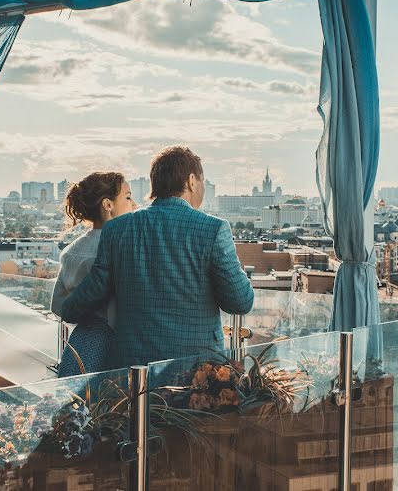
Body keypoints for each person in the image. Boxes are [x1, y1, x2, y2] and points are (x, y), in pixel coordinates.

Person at [61, 146, 254, 368]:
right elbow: (241, 301)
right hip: (196, 371)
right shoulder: (213, 229)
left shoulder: (117, 229)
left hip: (132, 371)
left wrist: (69, 309)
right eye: (202, 182)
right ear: (191, 181)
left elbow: (83, 300)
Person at [51, 172, 137, 377]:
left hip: (80, 342)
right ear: (108, 205)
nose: (134, 204)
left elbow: (58, 305)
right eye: (127, 197)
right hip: (111, 345)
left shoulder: (71, 250)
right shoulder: (121, 248)